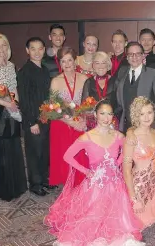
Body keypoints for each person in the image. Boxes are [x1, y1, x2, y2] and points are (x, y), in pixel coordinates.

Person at [45, 100, 145, 246]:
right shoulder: (87, 137)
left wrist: (116, 164)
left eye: (110, 114)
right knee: (91, 220)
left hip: (115, 185)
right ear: (96, 115)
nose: (106, 117)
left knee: (120, 224)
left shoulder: (118, 135)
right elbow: (67, 156)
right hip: (95, 187)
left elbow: (128, 152)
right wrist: (86, 171)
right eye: (102, 113)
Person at [0, 33, 27, 202]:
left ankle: (17, 185)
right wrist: (6, 104)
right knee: (3, 145)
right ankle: (5, 189)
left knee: (15, 142)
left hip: (12, 107)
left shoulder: (11, 65)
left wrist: (16, 105)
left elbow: (14, 88)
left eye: (4, 45)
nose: (1, 49)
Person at [122, 96, 155, 229]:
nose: (146, 117)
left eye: (149, 112)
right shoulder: (132, 138)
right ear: (136, 115)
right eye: (141, 114)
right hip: (138, 187)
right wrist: (134, 200)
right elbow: (126, 170)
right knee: (134, 229)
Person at [49, 47, 89, 187]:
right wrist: (70, 122)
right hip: (62, 123)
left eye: (70, 60)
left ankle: (82, 180)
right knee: (65, 153)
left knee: (81, 154)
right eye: (63, 61)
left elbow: (89, 103)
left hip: (81, 120)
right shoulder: (55, 81)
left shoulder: (84, 79)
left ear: (75, 61)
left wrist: (83, 120)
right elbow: (52, 109)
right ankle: (67, 182)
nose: (67, 64)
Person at [17, 37, 51, 196]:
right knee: (34, 152)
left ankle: (45, 180)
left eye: (40, 48)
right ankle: (35, 184)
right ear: (27, 51)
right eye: (33, 49)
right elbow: (23, 99)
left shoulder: (44, 69)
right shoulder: (25, 72)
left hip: (45, 118)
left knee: (44, 151)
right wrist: (31, 122)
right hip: (33, 120)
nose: (37, 52)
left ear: (44, 50)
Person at [115, 42, 155, 133]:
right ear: (127, 56)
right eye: (131, 54)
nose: (134, 57)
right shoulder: (122, 72)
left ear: (143, 56)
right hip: (125, 127)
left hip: (147, 127)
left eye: (138, 54)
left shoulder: (153, 74)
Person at [81, 51, 119, 130]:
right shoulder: (88, 82)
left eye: (103, 63)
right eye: (97, 63)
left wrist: (110, 117)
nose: (100, 66)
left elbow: (120, 105)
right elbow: (84, 107)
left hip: (112, 123)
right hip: (93, 124)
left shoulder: (115, 81)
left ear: (108, 65)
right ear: (93, 65)